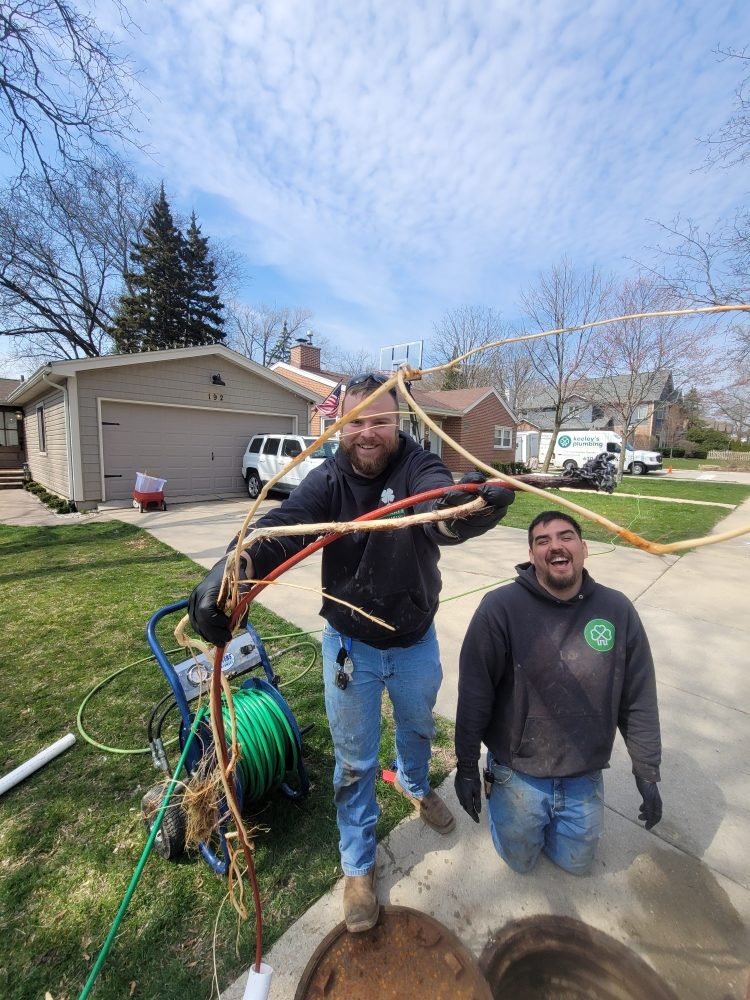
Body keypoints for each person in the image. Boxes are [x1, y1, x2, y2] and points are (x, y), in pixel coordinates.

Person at [189, 373, 515, 931]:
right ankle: (358, 865)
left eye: (380, 420)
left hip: (414, 642)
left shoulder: (417, 465)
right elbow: (280, 530)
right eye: (355, 421)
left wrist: (470, 508)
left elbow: (441, 512)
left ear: (399, 422)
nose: (367, 432)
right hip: (349, 648)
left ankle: (414, 785)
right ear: (338, 425)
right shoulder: (328, 479)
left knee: (418, 729)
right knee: (356, 762)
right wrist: (232, 570)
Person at [454, 511, 662, 876]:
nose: (555, 546)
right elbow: (474, 693)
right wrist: (467, 766)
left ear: (584, 548)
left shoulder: (616, 609)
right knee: (519, 862)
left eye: (565, 537)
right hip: (518, 772)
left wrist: (646, 770)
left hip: (584, 771)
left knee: (576, 865)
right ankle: (501, 801)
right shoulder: (500, 608)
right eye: (542, 541)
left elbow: (638, 695)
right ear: (531, 555)